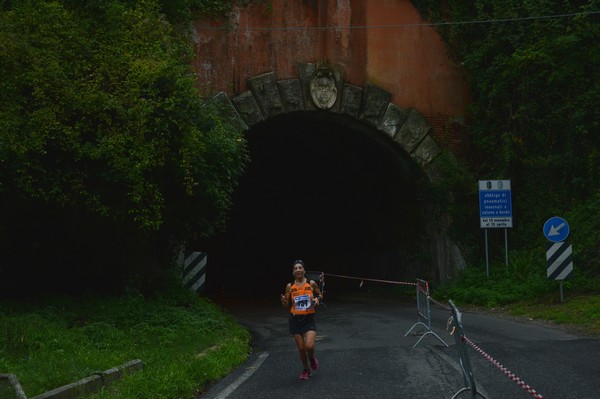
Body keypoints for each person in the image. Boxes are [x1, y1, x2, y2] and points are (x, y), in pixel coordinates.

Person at [280, 259, 323, 380]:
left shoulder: (311, 283)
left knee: (309, 346)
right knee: (301, 348)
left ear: (304, 270)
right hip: (295, 319)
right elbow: (286, 305)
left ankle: (312, 358)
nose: (298, 270)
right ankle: (306, 369)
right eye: (295, 268)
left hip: (309, 318)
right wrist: (283, 301)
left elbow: (320, 295)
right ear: (293, 272)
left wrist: (317, 299)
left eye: (300, 268)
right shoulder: (290, 286)